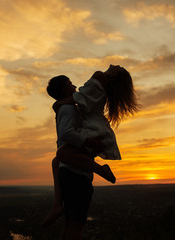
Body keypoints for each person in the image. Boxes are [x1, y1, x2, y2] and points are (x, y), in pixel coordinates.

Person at [43, 65, 139, 228]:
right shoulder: (94, 90)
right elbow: (82, 97)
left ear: (116, 73)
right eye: (71, 84)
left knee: (62, 154)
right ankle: (57, 205)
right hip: (95, 129)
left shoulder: (100, 76)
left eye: (117, 67)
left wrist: (61, 102)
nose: (114, 64)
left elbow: (82, 96)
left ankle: (101, 170)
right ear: (65, 88)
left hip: (95, 131)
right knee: (56, 161)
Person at [44, 75, 96, 239]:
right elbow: (67, 134)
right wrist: (88, 142)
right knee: (76, 226)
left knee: (70, 224)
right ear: (65, 89)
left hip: (70, 171)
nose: (75, 86)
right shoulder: (68, 109)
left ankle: (57, 205)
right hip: (76, 172)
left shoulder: (65, 108)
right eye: (71, 84)